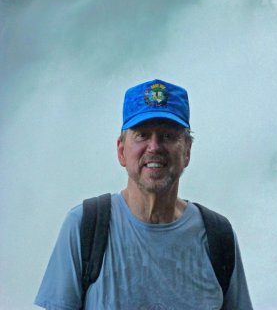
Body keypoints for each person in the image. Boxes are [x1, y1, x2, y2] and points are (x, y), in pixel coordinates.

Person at [35, 79, 253, 310]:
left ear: (187, 151)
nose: (154, 147)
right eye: (142, 135)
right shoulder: (84, 226)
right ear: (121, 151)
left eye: (168, 136)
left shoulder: (217, 235)